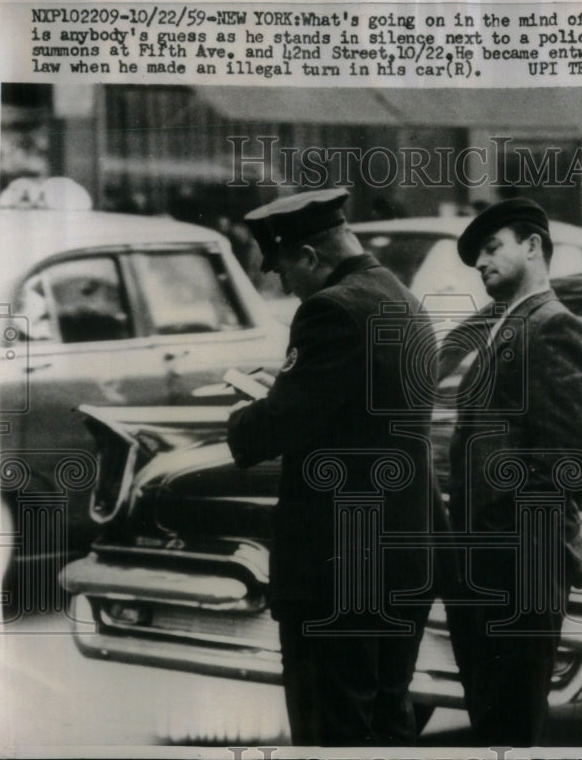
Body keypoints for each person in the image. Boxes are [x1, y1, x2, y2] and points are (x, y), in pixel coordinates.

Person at [226, 188, 436, 746]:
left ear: (311, 258)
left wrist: (246, 415)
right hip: (401, 563)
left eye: (283, 271)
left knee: (329, 728)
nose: (283, 286)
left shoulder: (329, 309)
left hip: (338, 570)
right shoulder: (405, 302)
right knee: (389, 717)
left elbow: (272, 430)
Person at [442, 198, 582, 745]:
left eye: (492, 248)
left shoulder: (553, 326)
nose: (481, 263)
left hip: (517, 569)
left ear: (533, 246)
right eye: (477, 256)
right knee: (493, 720)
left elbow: (562, 462)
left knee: (508, 723)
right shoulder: (505, 325)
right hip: (487, 567)